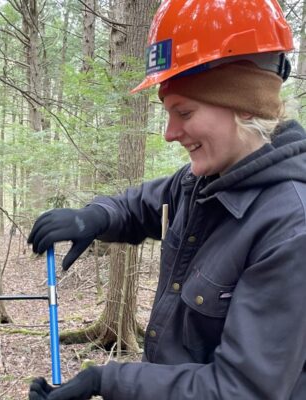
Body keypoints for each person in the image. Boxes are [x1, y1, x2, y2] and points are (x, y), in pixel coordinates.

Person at [27, 0, 306, 399]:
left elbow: (242, 390)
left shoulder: (291, 229)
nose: (170, 132)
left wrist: (108, 382)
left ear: (242, 104)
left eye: (185, 112)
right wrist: (92, 218)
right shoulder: (205, 182)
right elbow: (141, 205)